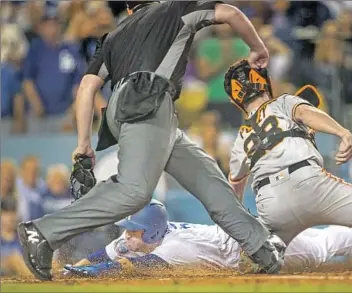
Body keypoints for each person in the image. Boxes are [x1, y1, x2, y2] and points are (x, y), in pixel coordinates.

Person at [18, 1, 284, 281]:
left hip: (139, 113)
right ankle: (42, 232)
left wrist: (83, 142)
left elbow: (87, 87)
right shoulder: (173, 9)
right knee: (134, 191)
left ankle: (260, 246)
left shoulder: (114, 35)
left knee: (208, 179)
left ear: (130, 9)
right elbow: (230, 13)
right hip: (147, 101)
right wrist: (258, 48)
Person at [224, 59, 352, 270]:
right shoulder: (282, 102)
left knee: (265, 248)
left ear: (236, 101)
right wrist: (342, 132)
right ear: (266, 82)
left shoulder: (240, 139)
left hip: (270, 204)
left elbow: (234, 191)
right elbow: (306, 113)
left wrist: (246, 229)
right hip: (309, 183)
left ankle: (270, 249)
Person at [63, 200, 352, 277]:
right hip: (239, 237)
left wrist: (84, 275)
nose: (127, 234)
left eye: (134, 230)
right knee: (319, 236)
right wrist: (74, 269)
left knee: (323, 245)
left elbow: (125, 268)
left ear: (152, 233)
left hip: (257, 246)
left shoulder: (174, 250)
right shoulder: (139, 237)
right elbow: (103, 256)